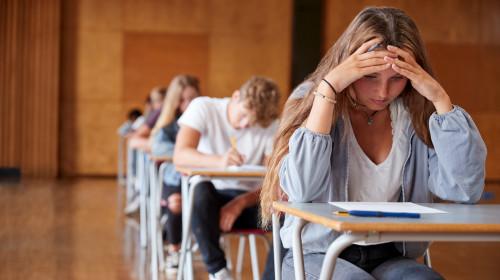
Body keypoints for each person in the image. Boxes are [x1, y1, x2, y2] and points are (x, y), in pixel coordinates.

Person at [260, 6, 487, 280]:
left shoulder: (418, 113)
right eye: (370, 76)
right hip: (316, 254)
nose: (383, 92)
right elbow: (302, 189)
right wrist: (328, 88)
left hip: (391, 253)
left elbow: (465, 190)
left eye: (397, 78)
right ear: (348, 67)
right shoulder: (314, 100)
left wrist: (440, 99)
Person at [173, 76, 281, 280]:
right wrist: (218, 160)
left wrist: (240, 202)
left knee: (286, 215)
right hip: (209, 203)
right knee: (200, 189)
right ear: (236, 96)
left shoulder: (271, 124)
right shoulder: (203, 107)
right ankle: (219, 271)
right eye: (243, 115)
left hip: (250, 199)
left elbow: (273, 182)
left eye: (254, 121)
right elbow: (180, 155)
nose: (245, 124)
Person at [149, 74, 201, 274]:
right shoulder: (170, 124)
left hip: (199, 176)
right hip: (175, 178)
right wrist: (189, 152)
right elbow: (158, 148)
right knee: (177, 201)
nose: (188, 103)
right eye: (183, 99)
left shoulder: (204, 118)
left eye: (192, 98)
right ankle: (174, 250)